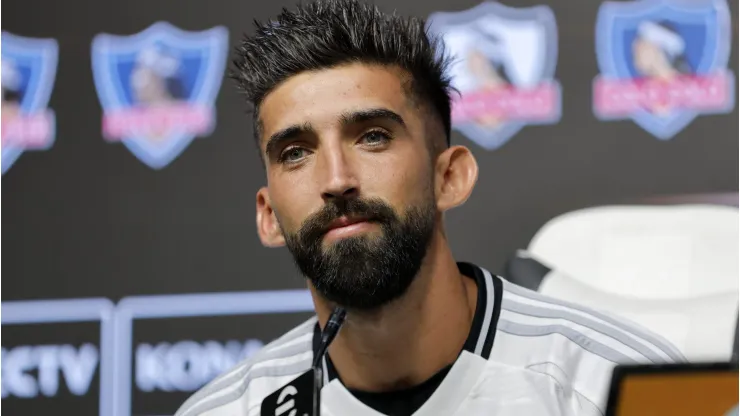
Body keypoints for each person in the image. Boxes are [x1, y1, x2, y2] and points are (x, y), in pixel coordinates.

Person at [176, 1, 684, 415]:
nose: (336, 180)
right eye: (295, 153)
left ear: (449, 177)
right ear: (268, 216)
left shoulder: (615, 382)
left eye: (373, 137)